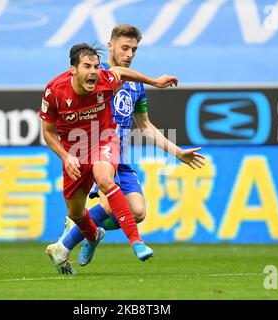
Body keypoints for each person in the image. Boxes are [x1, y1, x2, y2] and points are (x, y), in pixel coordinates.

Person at [52, 25, 206, 273]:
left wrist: (179, 152)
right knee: (112, 202)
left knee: (137, 211)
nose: (130, 53)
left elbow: (145, 126)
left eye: (134, 49)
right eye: (125, 47)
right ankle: (71, 242)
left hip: (118, 156)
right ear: (110, 45)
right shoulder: (92, 74)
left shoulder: (135, 86)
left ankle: (86, 230)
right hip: (93, 152)